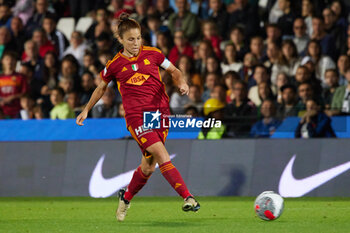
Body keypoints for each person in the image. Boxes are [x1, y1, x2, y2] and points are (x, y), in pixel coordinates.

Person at [76, 14, 200, 222]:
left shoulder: (154, 54)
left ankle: (126, 197)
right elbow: (101, 87)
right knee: (162, 155)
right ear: (121, 40)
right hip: (136, 118)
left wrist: (182, 83)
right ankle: (188, 197)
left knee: (148, 166)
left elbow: (174, 70)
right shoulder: (114, 64)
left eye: (139, 38)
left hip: (159, 113)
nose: (136, 43)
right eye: (131, 39)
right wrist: (87, 108)